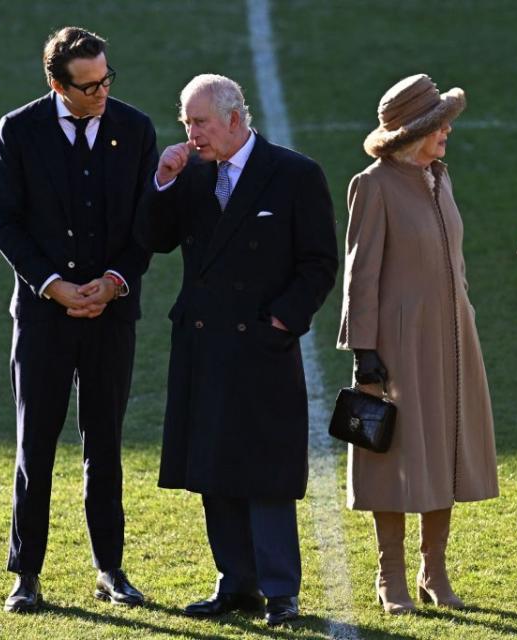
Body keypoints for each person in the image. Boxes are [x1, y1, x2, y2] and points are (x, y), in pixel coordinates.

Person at [135, 74, 338, 627]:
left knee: (266, 469)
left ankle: (280, 591)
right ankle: (236, 584)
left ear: (234, 118)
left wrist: (281, 320)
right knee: (213, 465)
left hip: (263, 347)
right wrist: (162, 179)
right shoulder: (191, 175)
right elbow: (153, 240)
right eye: (186, 122)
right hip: (204, 343)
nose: (190, 133)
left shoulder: (294, 174)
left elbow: (319, 262)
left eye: (199, 122)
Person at [0, 26, 157, 613]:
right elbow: (3, 222)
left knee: (105, 445)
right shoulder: (19, 130)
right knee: (35, 447)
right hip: (43, 318)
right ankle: (26, 575)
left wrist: (113, 282)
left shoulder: (134, 129)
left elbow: (146, 227)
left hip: (111, 315)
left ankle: (111, 570)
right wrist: (54, 287)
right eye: (89, 86)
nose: (102, 92)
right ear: (58, 85)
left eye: (107, 79)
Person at [336, 74, 499, 614]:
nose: (448, 130)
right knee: (396, 455)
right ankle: (392, 576)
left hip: (452, 339)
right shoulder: (374, 184)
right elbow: (361, 273)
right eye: (439, 124)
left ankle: (435, 571)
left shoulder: (439, 178)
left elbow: (455, 262)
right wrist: (363, 348)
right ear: (416, 131)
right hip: (397, 345)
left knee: (445, 448)